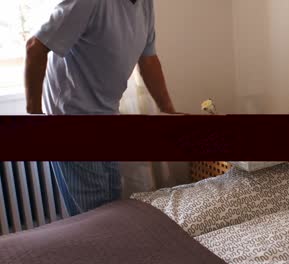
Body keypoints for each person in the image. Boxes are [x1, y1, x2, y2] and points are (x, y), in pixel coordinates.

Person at [24, 0, 176, 215]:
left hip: (107, 116)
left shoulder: (145, 4)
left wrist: (169, 112)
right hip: (72, 118)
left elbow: (148, 59)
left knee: (111, 200)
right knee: (94, 212)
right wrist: (35, 118)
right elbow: (35, 48)